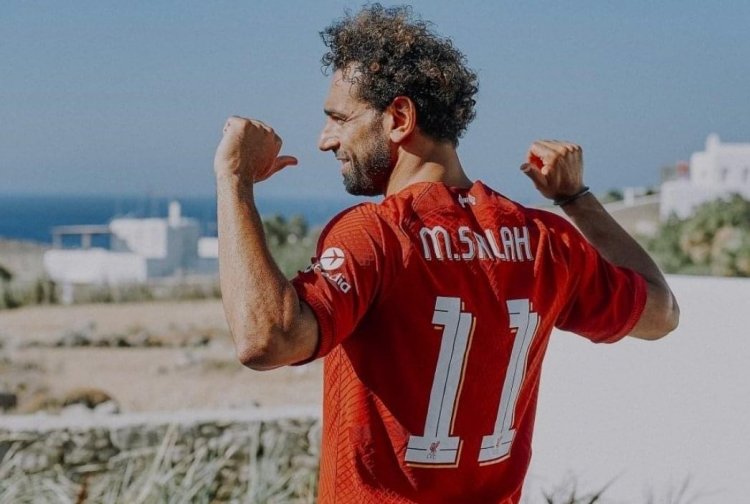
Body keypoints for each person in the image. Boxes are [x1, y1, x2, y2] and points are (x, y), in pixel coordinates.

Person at [213, 5, 679, 503]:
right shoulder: (545, 242)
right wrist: (576, 199)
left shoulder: (379, 234)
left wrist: (234, 178)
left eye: (339, 119)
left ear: (399, 118)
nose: (325, 140)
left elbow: (266, 340)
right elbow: (661, 314)